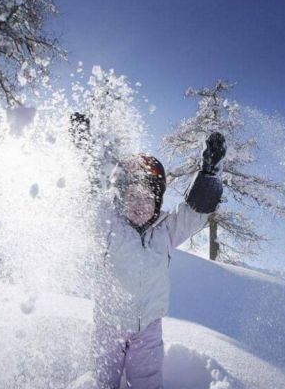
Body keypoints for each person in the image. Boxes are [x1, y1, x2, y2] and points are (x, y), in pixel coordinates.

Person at [92, 132, 226, 389]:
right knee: (104, 381)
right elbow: (90, 204)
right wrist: (86, 158)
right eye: (132, 197)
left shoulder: (166, 230)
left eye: (147, 199)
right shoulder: (110, 227)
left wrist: (208, 177)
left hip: (148, 329)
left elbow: (194, 213)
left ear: (158, 202)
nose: (139, 204)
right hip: (109, 326)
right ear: (121, 199)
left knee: (148, 381)